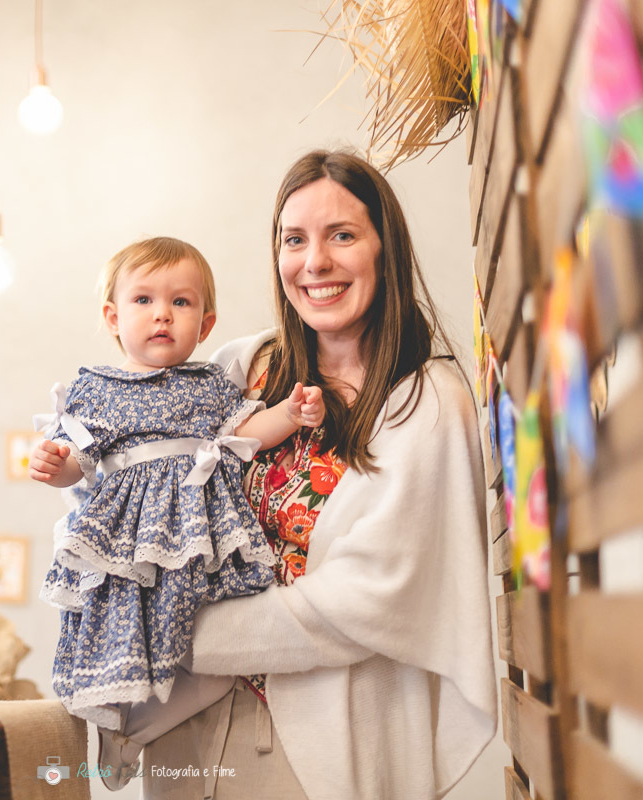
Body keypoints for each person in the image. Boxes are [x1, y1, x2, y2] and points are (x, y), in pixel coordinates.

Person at [139, 150, 497, 800]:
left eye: (342, 236)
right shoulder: (242, 366)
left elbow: (363, 600)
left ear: (385, 249)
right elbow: (148, 485)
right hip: (184, 732)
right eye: (294, 239)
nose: (315, 263)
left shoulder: (427, 401)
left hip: (317, 744)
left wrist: (183, 634)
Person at [29, 236, 326, 789]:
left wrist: (289, 413)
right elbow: (80, 463)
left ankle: (143, 725)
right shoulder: (95, 389)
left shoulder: (211, 385)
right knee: (123, 631)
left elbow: (243, 436)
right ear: (113, 317)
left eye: (181, 303)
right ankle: (121, 724)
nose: (162, 313)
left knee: (206, 644)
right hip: (128, 540)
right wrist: (55, 465)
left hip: (196, 534)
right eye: (144, 300)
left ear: (205, 325)